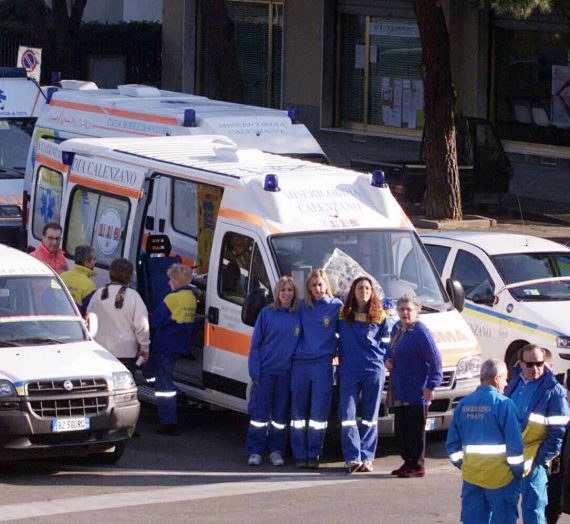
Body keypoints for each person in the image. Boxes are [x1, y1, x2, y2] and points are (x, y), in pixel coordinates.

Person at [446, 358, 524, 524]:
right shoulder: (504, 404)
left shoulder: (463, 404)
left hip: (472, 477)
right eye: (505, 379)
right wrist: (517, 474)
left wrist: (465, 465)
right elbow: (515, 448)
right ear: (496, 378)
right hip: (501, 479)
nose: (506, 383)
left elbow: (452, 446)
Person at [505, 344, 570, 524]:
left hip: (533, 463)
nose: (536, 368)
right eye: (530, 364)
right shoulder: (515, 382)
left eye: (540, 364)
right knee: (505, 508)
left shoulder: (553, 391)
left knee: (533, 510)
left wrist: (540, 460)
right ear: (521, 364)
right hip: (510, 459)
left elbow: (558, 433)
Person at [385, 293, 442, 478]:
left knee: (415, 431)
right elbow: (389, 351)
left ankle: (417, 465)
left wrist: (431, 385)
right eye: (401, 309)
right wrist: (387, 360)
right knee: (402, 430)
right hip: (399, 388)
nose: (405, 313)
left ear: (417, 311)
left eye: (409, 309)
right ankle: (407, 462)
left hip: (417, 390)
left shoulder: (420, 332)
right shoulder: (396, 329)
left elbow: (435, 360)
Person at [290, 269, 342, 469]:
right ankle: (299, 454)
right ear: (308, 289)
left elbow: (346, 331)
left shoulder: (336, 306)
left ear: (326, 284)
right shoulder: (302, 306)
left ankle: (314, 453)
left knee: (319, 413)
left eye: (320, 284)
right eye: (313, 286)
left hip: (323, 365)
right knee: (298, 412)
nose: (317, 289)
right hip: (300, 364)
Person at [247, 276, 301, 466]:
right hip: (265, 372)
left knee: (280, 417)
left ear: (295, 293)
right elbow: (255, 345)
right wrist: (255, 372)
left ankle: (276, 450)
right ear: (277, 292)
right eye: (283, 290)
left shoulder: (298, 316)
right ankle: (255, 450)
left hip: (286, 374)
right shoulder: (266, 314)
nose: (286, 293)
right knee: (259, 416)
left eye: (290, 290)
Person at [338, 276, 389, 473]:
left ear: (372, 292)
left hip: (373, 370)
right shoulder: (343, 313)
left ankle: (367, 458)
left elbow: (387, 343)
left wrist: (382, 359)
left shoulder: (380, 315)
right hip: (349, 370)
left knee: (370, 417)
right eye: (360, 288)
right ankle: (352, 458)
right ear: (353, 291)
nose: (364, 292)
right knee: (348, 415)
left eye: (368, 288)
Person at [144, 264, 197, 436]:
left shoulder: (172, 299)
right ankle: (178, 394)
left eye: (170, 279)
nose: (168, 283)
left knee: (163, 387)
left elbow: (157, 320)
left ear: (177, 280)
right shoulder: (191, 298)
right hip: (179, 346)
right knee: (156, 375)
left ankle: (169, 422)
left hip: (165, 346)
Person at [87, 257, 150, 373]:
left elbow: (88, 320)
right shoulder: (134, 297)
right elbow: (142, 326)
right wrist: (144, 347)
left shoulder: (98, 293)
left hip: (99, 351)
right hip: (125, 354)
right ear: (130, 275)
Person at [60, 245, 97, 317]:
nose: (95, 262)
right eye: (94, 259)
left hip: (59, 320)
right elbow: (89, 313)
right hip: (75, 325)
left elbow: (46, 297)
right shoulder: (89, 286)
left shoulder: (61, 276)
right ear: (86, 263)